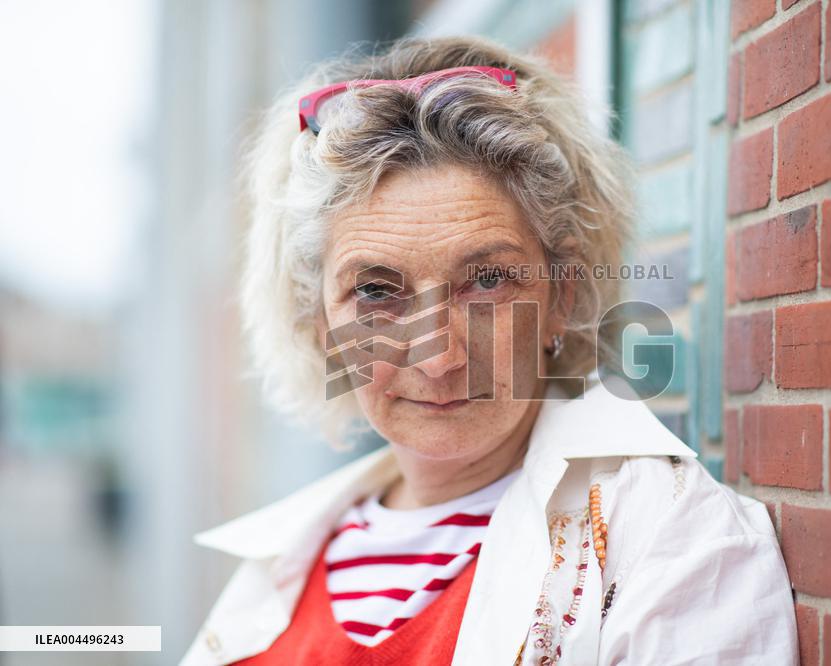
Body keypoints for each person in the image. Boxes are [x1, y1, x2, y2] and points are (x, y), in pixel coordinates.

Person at [180, 34, 798, 665]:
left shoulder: (671, 542)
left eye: (488, 280)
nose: (437, 357)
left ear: (563, 295)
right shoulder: (273, 571)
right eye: (376, 291)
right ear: (320, 323)